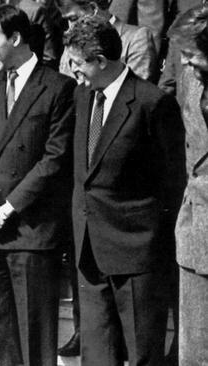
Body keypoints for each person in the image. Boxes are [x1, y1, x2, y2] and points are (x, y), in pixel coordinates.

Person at [64, 16, 186, 366]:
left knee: (142, 354)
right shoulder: (83, 95)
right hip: (89, 250)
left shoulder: (152, 103)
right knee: (98, 356)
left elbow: (172, 183)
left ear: (101, 61)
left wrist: (150, 242)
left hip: (136, 255)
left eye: (77, 63)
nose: (73, 71)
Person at [0, 5, 76, 366]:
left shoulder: (58, 87)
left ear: (15, 39)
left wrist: (8, 208)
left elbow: (54, 159)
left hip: (30, 228)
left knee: (34, 336)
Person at [167, 7, 208, 365]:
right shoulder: (190, 80)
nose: (184, 63)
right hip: (195, 232)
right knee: (194, 350)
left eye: (192, 54)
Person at [58, 0, 158, 82]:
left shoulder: (136, 38)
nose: (70, 28)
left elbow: (136, 91)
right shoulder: (72, 43)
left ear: (93, 8)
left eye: (73, 18)